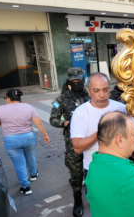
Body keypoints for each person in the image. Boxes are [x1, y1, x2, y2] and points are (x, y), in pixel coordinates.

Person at [0, 89, 50, 195]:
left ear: (8, 98)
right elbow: (39, 123)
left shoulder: (0, 109)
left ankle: (26, 187)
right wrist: (45, 134)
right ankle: (33, 174)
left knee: (19, 164)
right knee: (30, 156)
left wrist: (5, 122)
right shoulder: (28, 107)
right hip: (29, 137)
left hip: (11, 140)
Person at [70, 72, 127, 180]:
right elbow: (77, 148)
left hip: (122, 166)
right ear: (88, 90)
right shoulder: (81, 113)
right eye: (96, 91)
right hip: (95, 169)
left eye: (105, 90)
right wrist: (101, 131)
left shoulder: (121, 108)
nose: (102, 95)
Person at [49, 68, 90, 217]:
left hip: (91, 141)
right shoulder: (61, 99)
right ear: (69, 82)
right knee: (76, 172)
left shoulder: (90, 96)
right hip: (73, 143)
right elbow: (52, 119)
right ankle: (77, 199)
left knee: (92, 170)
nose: (76, 83)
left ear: (83, 80)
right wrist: (64, 123)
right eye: (73, 81)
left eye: (79, 80)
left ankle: (92, 195)